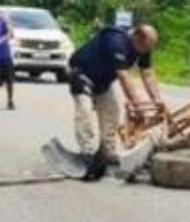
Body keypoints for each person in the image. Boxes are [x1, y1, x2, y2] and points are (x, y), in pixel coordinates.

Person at [67, 23, 164, 179]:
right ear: (137, 37)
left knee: (112, 112)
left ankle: (107, 152)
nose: (147, 51)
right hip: (82, 73)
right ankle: (87, 152)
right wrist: (137, 104)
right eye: (146, 47)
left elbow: (147, 74)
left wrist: (157, 100)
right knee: (84, 110)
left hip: (102, 80)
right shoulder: (116, 40)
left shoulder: (143, 46)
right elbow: (124, 77)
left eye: (150, 48)